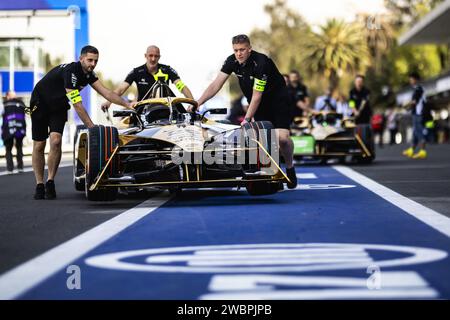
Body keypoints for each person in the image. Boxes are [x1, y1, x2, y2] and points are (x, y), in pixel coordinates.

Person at [30, 45, 134, 200]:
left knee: (56, 141)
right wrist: (93, 129)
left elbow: (107, 93)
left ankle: (50, 181)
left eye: (95, 61)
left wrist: (127, 104)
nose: (92, 64)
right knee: (39, 145)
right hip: (40, 103)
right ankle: (39, 183)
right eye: (90, 60)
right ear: (81, 59)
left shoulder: (89, 74)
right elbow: (77, 105)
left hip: (58, 107)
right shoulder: (71, 72)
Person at [196, 34, 297, 188]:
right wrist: (198, 102)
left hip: (278, 100)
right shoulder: (231, 61)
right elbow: (216, 85)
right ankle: (274, 175)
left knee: (282, 138)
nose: (239, 54)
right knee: (264, 140)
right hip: (259, 103)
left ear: (249, 49)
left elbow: (257, 95)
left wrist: (247, 119)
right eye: (236, 50)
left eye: (242, 50)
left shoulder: (261, 62)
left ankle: (290, 167)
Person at [101, 45, 193, 110]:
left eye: (156, 56)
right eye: (150, 56)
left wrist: (193, 102)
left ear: (159, 57)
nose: (153, 59)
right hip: (143, 112)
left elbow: (181, 86)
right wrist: (109, 102)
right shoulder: (136, 71)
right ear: (145, 56)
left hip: (166, 111)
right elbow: (121, 89)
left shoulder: (168, 70)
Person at [402, 72, 430, 159]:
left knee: (419, 132)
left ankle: (423, 151)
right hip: (416, 113)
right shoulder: (417, 89)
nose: (410, 81)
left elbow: (414, 102)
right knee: (415, 132)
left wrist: (406, 104)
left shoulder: (418, 89)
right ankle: (412, 149)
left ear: (416, 80)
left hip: (419, 114)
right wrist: (409, 108)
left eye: (412, 79)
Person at [1, 91, 26, 174]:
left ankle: (10, 168)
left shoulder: (4, 105)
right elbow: (27, 113)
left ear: (7, 96)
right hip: (20, 127)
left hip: (8, 128)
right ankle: (20, 167)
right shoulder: (21, 104)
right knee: (19, 147)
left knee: (8, 149)